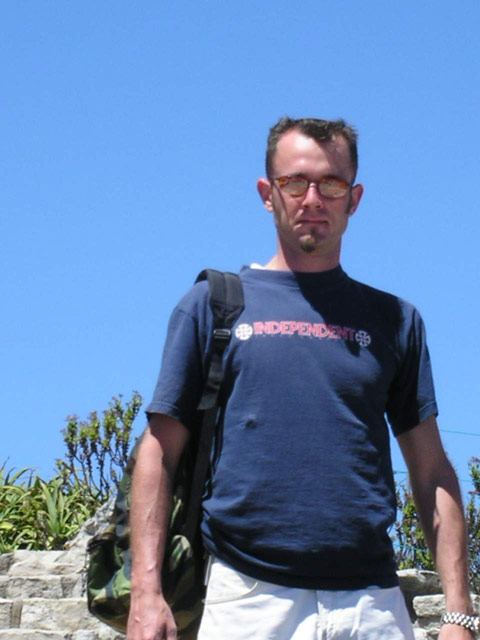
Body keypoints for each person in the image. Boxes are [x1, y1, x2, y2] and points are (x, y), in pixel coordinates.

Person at [126, 117, 476, 639]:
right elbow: (159, 452)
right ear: (267, 194)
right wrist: (145, 592)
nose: (313, 199)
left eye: (331, 184)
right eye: (295, 182)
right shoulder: (211, 307)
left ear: (354, 198)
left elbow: (431, 471)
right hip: (248, 600)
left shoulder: (395, 320)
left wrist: (458, 611)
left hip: (373, 608)